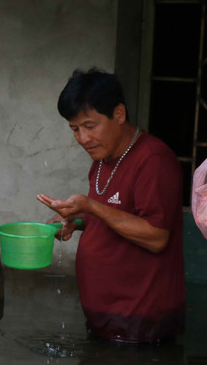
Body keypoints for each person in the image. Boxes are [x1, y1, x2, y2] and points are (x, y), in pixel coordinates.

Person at [36, 68, 185, 343]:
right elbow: (116, 216)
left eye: (90, 126)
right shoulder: (102, 160)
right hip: (108, 319)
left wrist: (91, 207)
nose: (82, 139)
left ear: (119, 114)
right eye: (75, 129)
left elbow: (156, 237)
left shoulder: (153, 160)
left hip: (139, 321)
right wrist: (76, 221)